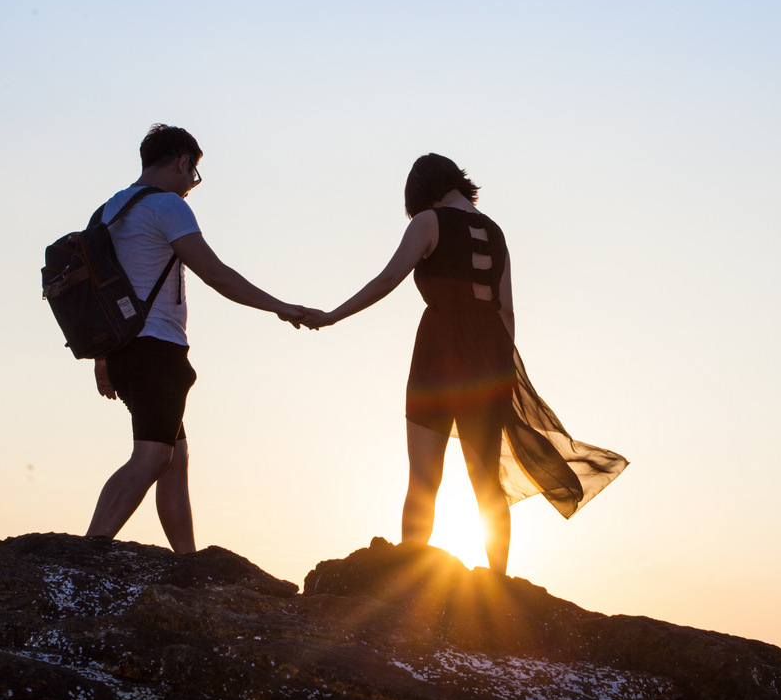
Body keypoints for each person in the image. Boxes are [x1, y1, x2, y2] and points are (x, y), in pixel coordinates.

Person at [305, 153, 626, 575]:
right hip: (488, 359)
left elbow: (387, 280)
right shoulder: (496, 233)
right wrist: (497, 367)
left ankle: (407, 575)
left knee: (423, 478)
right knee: (486, 483)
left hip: (438, 352)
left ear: (422, 191)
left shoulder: (427, 223)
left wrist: (331, 315)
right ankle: (498, 580)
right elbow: (506, 311)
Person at [86, 124, 310, 553]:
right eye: (194, 174)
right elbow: (216, 273)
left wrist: (104, 358)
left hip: (124, 349)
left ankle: (187, 563)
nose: (192, 186)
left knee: (174, 459)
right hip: (156, 349)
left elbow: (103, 291)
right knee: (152, 456)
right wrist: (280, 306)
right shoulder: (167, 206)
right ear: (182, 161)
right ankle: (89, 552)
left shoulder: (107, 211)